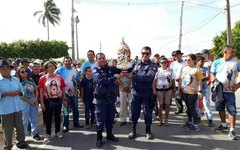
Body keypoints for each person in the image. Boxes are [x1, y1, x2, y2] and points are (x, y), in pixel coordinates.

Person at [92, 53, 123, 147]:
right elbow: (101, 81)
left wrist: (125, 59)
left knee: (110, 119)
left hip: (111, 99)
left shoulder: (110, 68)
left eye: (103, 58)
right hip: (100, 100)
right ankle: (99, 138)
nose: (102, 60)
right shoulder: (95, 70)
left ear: (106, 59)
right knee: (100, 121)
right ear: (96, 60)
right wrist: (115, 77)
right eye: (99, 58)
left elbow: (122, 69)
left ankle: (109, 135)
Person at [211, 45, 240, 140]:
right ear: (225, 52)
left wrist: (238, 85)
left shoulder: (236, 62)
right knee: (220, 108)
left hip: (229, 91)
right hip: (218, 91)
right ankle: (224, 125)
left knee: (232, 110)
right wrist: (213, 79)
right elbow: (212, 73)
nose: (233, 54)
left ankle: (232, 130)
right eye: (231, 52)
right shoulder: (216, 62)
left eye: (233, 52)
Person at [128, 46, 157, 140]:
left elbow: (148, 77)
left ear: (150, 54)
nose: (145, 55)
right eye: (143, 53)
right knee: (134, 112)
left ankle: (148, 131)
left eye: (147, 53)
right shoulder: (135, 64)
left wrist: (133, 76)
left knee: (147, 113)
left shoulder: (153, 66)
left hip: (146, 93)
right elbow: (125, 69)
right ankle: (133, 130)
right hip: (135, 93)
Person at [0, 59, 29, 150]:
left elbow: (23, 91)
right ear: (0, 70)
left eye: (7, 68)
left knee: (20, 127)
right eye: (3, 68)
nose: (6, 70)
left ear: (10, 69)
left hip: (17, 108)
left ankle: (20, 142)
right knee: (8, 130)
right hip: (6, 110)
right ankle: (8, 146)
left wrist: (19, 93)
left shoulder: (16, 79)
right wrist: (7, 93)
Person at [39, 61, 67, 142]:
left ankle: (57, 132)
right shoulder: (43, 78)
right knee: (48, 118)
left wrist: (64, 99)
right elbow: (41, 91)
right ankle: (47, 134)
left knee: (58, 117)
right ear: (46, 69)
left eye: (53, 66)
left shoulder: (59, 77)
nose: (52, 67)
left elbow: (63, 88)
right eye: (50, 66)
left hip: (58, 100)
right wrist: (42, 103)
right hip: (48, 101)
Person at [55, 56, 83, 133]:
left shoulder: (75, 70)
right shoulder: (59, 70)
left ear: (71, 62)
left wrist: (80, 91)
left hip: (74, 93)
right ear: (63, 62)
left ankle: (76, 123)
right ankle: (65, 125)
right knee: (65, 110)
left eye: (69, 61)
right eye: (66, 61)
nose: (67, 62)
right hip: (64, 93)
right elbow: (54, 79)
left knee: (75, 109)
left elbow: (78, 81)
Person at [179, 54, 203, 132]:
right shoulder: (184, 68)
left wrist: (200, 91)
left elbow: (200, 81)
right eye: (186, 60)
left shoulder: (197, 69)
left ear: (194, 61)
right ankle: (189, 121)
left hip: (192, 92)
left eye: (189, 60)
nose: (187, 61)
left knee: (192, 108)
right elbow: (181, 79)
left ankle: (196, 125)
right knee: (188, 108)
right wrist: (179, 89)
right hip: (184, 91)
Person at [16, 66, 40, 140]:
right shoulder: (18, 82)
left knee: (34, 119)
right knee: (24, 120)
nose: (24, 73)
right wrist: (29, 101)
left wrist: (35, 99)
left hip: (33, 101)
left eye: (25, 71)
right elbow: (19, 95)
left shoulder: (31, 80)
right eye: (22, 72)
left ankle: (35, 134)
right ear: (19, 73)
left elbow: (36, 90)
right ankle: (23, 137)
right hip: (24, 102)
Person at [153, 57, 176, 126]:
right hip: (159, 90)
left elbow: (173, 81)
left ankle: (166, 120)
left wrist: (174, 91)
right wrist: (154, 90)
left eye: (165, 62)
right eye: (162, 63)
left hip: (168, 90)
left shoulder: (170, 71)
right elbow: (154, 81)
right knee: (160, 105)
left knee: (167, 105)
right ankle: (160, 120)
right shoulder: (157, 70)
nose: (163, 64)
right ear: (159, 63)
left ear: (167, 63)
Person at [196, 56, 213, 127]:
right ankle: (198, 116)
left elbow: (208, 77)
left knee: (206, 103)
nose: (203, 63)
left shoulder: (205, 68)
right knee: (196, 103)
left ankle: (209, 118)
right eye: (201, 61)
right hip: (196, 89)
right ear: (197, 61)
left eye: (203, 61)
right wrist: (201, 78)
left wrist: (200, 78)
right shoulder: (195, 69)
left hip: (205, 88)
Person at [170, 50, 186, 114]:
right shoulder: (173, 63)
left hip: (184, 83)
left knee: (184, 97)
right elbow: (170, 72)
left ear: (181, 55)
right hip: (175, 82)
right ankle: (179, 109)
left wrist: (181, 77)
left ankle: (187, 109)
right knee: (177, 97)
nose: (176, 57)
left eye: (178, 55)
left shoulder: (185, 63)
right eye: (175, 56)